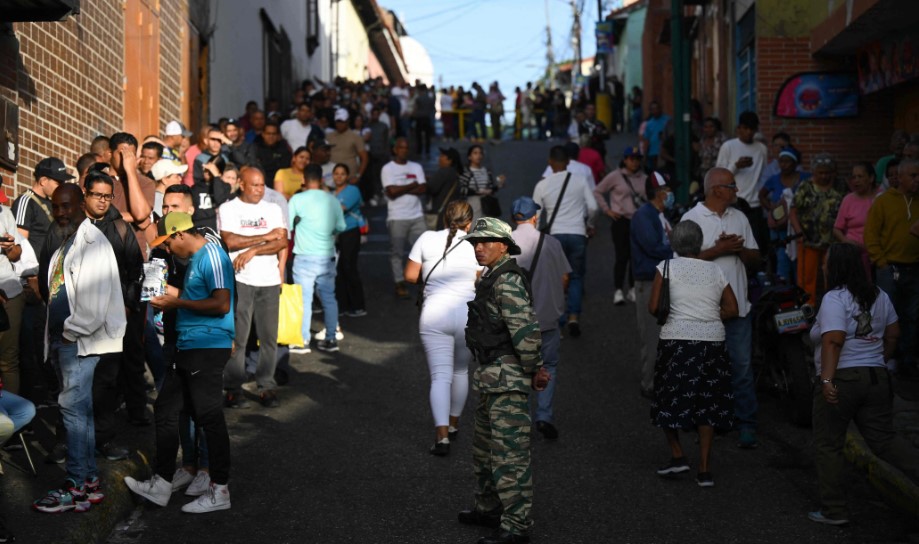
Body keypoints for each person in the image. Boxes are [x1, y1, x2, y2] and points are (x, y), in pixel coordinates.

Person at [126, 212, 235, 514]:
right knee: (166, 409)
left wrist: (177, 303)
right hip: (189, 344)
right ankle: (161, 484)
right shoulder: (197, 258)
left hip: (206, 344)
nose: (168, 250)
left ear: (179, 235)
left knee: (209, 416)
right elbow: (193, 296)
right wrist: (164, 293)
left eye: (168, 243)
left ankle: (220, 489)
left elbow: (221, 303)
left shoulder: (211, 254)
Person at [808, 243, 919, 525]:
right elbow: (893, 334)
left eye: (826, 262)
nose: (823, 266)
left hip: (843, 378)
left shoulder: (834, 298)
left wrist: (827, 380)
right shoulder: (879, 294)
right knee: (885, 441)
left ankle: (834, 510)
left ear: (836, 267)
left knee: (829, 444)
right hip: (876, 378)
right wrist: (878, 358)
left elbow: (834, 340)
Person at [33, 184, 126, 514]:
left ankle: (75, 486)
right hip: (65, 340)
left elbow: (94, 303)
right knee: (79, 412)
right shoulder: (64, 245)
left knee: (72, 410)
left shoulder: (93, 243)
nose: (60, 212)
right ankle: (88, 483)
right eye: (56, 207)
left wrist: (70, 335)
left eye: (67, 206)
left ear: (83, 204)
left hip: (78, 340)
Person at [457, 217, 549, 544]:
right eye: (474, 242)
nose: (478, 247)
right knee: (484, 452)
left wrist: (535, 368)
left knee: (510, 456)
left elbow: (525, 332)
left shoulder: (506, 280)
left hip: (506, 380)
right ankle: (490, 508)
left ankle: (516, 526)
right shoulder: (492, 277)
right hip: (489, 378)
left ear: (504, 246)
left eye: (485, 242)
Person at [647, 219, 738, 488]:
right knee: (707, 404)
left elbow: (654, 307)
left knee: (667, 397)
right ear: (699, 244)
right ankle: (705, 470)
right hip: (712, 343)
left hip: (676, 342)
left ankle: (677, 455)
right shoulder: (716, 271)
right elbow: (732, 309)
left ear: (675, 243)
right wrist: (708, 317)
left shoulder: (666, 267)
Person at [682, 167, 761, 448]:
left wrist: (739, 250)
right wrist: (717, 250)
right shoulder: (690, 220)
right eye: (731, 186)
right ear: (716, 189)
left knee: (741, 367)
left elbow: (755, 260)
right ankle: (706, 419)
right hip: (703, 311)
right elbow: (681, 266)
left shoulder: (739, 218)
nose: (736, 190)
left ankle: (746, 424)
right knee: (703, 368)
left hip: (738, 308)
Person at [404, 201, 478, 456]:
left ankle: (442, 435)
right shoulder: (476, 243)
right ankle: (455, 423)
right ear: (469, 223)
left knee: (440, 376)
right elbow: (482, 278)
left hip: (434, 314)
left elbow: (411, 276)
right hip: (468, 316)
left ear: (445, 219)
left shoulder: (426, 238)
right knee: (460, 371)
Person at [83, 171, 145, 459]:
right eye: (97, 194)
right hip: (77, 317)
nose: (102, 201)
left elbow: (136, 270)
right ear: (85, 193)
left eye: (107, 196)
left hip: (113, 316)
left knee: (106, 380)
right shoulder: (71, 225)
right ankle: (69, 438)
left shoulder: (120, 227)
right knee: (73, 382)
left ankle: (104, 439)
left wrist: (129, 305)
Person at [219, 168, 287, 408]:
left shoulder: (273, 208)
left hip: (268, 281)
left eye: (262, 185)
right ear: (241, 184)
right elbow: (229, 240)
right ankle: (233, 388)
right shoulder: (229, 208)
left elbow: (282, 241)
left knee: (269, 338)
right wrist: (265, 236)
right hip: (240, 280)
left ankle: (266, 386)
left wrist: (254, 250)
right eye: (254, 185)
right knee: (238, 338)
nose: (260, 190)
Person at [510, 197, 570, 441]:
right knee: (549, 365)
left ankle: (516, 419)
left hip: (514, 322)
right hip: (546, 318)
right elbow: (565, 278)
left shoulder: (504, 243)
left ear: (515, 217)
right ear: (535, 217)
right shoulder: (552, 243)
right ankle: (543, 415)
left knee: (516, 367)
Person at [532, 146, 598, 338]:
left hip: (556, 236)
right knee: (576, 276)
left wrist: (536, 237)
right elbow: (593, 207)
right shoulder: (580, 181)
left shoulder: (542, 185)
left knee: (556, 279)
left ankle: (558, 323)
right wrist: (589, 225)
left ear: (549, 162)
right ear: (568, 162)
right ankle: (574, 317)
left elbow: (535, 215)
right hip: (578, 234)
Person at [864, 158, 919, 377]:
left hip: (915, 268)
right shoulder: (884, 201)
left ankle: (908, 360)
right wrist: (881, 262)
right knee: (888, 315)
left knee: (913, 316)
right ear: (900, 177)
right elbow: (871, 234)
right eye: (913, 176)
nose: (917, 180)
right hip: (890, 269)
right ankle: (888, 358)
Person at [288, 164, 346, 353]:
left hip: (304, 256)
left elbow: (287, 225)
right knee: (329, 298)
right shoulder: (332, 200)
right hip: (327, 255)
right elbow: (341, 227)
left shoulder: (297, 199)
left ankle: (302, 340)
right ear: (321, 180)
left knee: (303, 300)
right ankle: (331, 339)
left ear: (303, 180)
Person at [630, 172, 674, 398]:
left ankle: (663, 380)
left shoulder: (661, 215)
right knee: (651, 336)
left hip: (662, 279)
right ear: (659, 192)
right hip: (648, 281)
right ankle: (650, 384)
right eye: (667, 189)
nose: (671, 193)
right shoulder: (643, 216)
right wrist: (679, 252)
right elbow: (653, 247)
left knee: (663, 334)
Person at [594, 146, 648, 305]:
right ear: (625, 160)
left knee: (635, 255)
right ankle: (618, 290)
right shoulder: (615, 176)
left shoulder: (644, 178)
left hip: (637, 220)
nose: (635, 162)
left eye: (637, 159)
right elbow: (597, 191)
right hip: (620, 220)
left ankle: (632, 288)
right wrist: (607, 210)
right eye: (632, 159)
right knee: (621, 256)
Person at [790, 153, 844, 304]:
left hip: (834, 241)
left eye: (828, 172)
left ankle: (833, 306)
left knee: (834, 277)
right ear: (814, 172)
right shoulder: (805, 186)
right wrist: (799, 233)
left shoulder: (840, 186)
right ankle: (808, 308)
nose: (824, 176)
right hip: (808, 240)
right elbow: (793, 211)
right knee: (806, 277)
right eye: (821, 172)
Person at [382, 137, 427, 300]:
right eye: (401, 148)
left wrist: (400, 189)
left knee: (424, 251)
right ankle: (399, 282)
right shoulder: (388, 169)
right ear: (395, 150)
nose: (404, 150)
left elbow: (422, 188)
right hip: (397, 216)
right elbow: (391, 192)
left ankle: (423, 282)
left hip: (417, 215)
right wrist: (411, 185)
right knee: (397, 252)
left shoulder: (416, 166)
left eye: (406, 148)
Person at [714, 111, 768, 249]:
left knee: (754, 244)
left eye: (752, 129)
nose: (749, 132)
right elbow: (718, 176)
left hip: (754, 204)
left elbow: (764, 174)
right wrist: (736, 166)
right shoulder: (728, 147)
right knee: (735, 242)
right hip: (734, 203)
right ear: (739, 128)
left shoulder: (761, 149)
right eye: (746, 128)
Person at [759, 146, 811, 282]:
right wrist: (771, 209)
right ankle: (785, 289)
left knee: (799, 258)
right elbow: (762, 195)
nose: (784, 165)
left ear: (795, 163)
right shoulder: (774, 179)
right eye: (781, 161)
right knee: (782, 258)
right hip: (779, 226)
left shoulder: (805, 178)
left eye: (787, 161)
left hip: (799, 226)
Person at [332, 163, 367, 318]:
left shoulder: (353, 190)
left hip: (350, 232)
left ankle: (358, 305)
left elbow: (341, 209)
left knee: (349, 266)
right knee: (338, 270)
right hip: (336, 234)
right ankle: (343, 305)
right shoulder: (331, 193)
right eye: (336, 173)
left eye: (342, 174)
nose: (339, 176)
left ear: (347, 176)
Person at [15, 157, 68, 255]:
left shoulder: (52, 203)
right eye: (58, 183)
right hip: (33, 268)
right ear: (43, 181)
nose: (61, 187)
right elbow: (19, 242)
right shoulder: (26, 201)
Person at [833, 162, 877, 277]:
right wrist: (848, 243)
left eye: (860, 177)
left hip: (876, 254)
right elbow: (837, 229)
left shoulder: (881, 198)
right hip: (853, 254)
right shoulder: (848, 199)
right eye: (853, 177)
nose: (856, 180)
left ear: (871, 178)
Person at [460, 145, 505, 220]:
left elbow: (491, 187)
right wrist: (476, 192)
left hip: (486, 206)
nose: (478, 155)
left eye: (480, 153)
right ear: (469, 157)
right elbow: (461, 189)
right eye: (475, 153)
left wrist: (498, 185)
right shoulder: (466, 172)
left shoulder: (486, 171)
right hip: (472, 204)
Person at [327, 109, 368, 184]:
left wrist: (358, 176)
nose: (339, 124)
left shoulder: (355, 137)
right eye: (338, 121)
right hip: (331, 178)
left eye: (342, 121)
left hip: (350, 178)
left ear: (348, 121)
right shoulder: (329, 136)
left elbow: (364, 158)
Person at [427, 147, 463, 230]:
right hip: (453, 214)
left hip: (440, 214)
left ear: (449, 160)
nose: (439, 158)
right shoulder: (456, 173)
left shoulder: (443, 172)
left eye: (442, 156)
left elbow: (431, 188)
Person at [642, 102, 671, 173]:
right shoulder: (649, 123)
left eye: (656, 109)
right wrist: (644, 156)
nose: (655, 111)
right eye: (653, 109)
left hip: (665, 153)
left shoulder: (667, 120)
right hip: (652, 153)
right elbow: (646, 140)